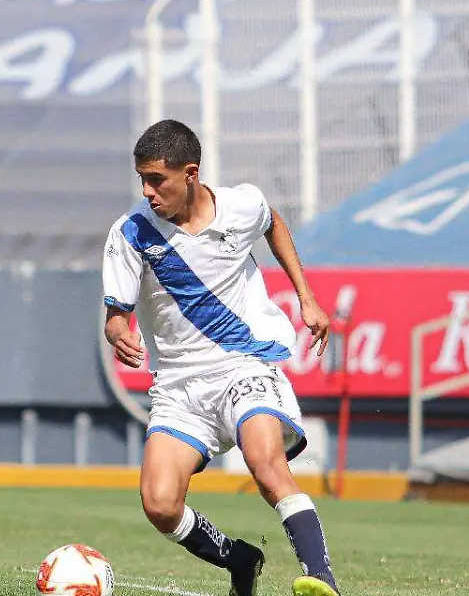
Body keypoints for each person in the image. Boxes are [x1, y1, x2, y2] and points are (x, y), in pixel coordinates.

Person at [102, 120, 342, 596]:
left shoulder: (239, 205)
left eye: (157, 180)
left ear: (190, 174)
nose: (147, 192)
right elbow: (115, 316)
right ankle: (239, 559)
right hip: (178, 385)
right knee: (160, 504)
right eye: (142, 180)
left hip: (242, 365)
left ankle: (322, 580)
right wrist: (118, 333)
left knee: (267, 464)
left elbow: (272, 221)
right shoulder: (130, 234)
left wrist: (306, 298)